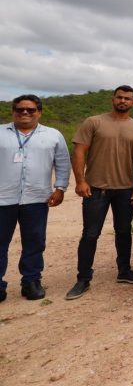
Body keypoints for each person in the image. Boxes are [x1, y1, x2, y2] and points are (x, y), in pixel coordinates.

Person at [65, 86, 133, 300]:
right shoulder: (94, 122)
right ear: (113, 99)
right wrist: (80, 180)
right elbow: (79, 151)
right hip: (96, 188)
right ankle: (83, 278)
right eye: (119, 97)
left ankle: (124, 271)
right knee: (91, 234)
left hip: (125, 188)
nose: (123, 101)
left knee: (123, 231)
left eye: (127, 98)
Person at [0, 95, 70, 302]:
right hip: (3, 198)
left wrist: (60, 188)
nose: (25, 113)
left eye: (30, 110)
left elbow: (63, 163)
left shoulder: (53, 135)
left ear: (39, 112)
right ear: (13, 111)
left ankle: (31, 281)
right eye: (20, 109)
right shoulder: (1, 133)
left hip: (36, 198)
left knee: (34, 241)